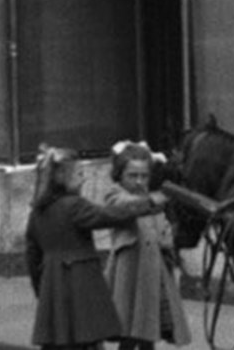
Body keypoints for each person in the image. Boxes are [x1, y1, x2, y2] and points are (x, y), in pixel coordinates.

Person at [25, 146, 169, 350]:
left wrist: (43, 290)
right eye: (79, 174)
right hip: (81, 285)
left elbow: (32, 256)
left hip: (53, 287)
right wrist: (149, 203)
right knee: (88, 340)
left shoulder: (37, 213)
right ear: (61, 176)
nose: (84, 179)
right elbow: (109, 215)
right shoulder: (74, 205)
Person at [98, 142, 193, 350]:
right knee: (129, 334)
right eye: (132, 175)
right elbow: (124, 206)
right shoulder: (115, 195)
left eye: (144, 176)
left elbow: (164, 233)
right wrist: (152, 201)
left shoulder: (149, 199)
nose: (139, 181)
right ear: (119, 175)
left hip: (154, 274)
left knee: (149, 333)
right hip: (129, 278)